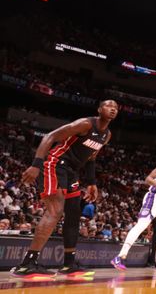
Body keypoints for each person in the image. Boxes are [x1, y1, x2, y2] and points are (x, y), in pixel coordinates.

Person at [11, 100, 118, 279]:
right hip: (55, 164)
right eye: (108, 106)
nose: (113, 109)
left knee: (74, 214)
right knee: (55, 211)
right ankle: (27, 264)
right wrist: (36, 164)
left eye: (116, 107)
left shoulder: (106, 135)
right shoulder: (85, 124)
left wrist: (91, 182)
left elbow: (91, 158)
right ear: (99, 109)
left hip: (72, 172)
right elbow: (50, 137)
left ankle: (69, 264)